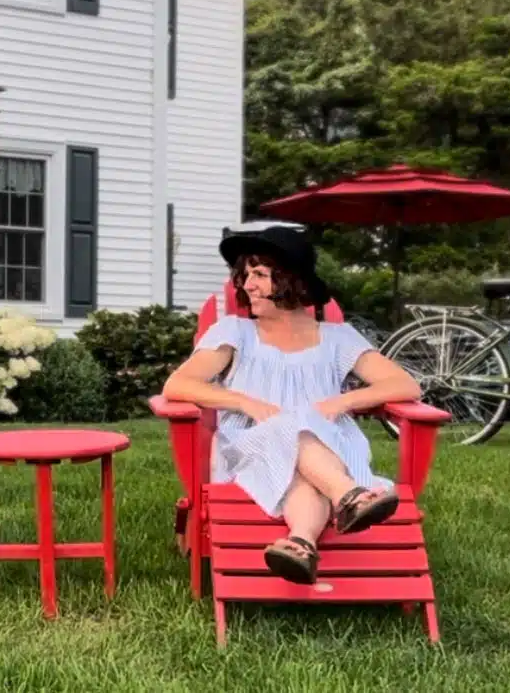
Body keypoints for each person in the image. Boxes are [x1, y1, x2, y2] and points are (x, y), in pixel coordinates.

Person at [161, 226, 421, 584]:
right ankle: (350, 496)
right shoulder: (235, 333)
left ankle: (300, 542)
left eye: (260, 275)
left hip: (328, 448)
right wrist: (246, 403)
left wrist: (339, 403)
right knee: (291, 427)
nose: (247, 285)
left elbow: (405, 384)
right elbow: (178, 384)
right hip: (251, 446)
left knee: (302, 469)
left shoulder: (336, 338)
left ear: (291, 280)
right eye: (244, 276)